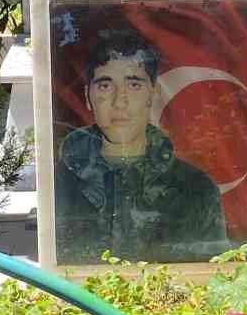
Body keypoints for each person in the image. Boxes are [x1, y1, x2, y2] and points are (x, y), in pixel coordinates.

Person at [54, 26, 228, 263]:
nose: (119, 101)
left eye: (133, 85)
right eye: (105, 86)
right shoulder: (58, 185)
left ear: (153, 95)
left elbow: (209, 279)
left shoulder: (195, 190)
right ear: (88, 97)